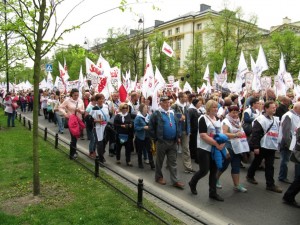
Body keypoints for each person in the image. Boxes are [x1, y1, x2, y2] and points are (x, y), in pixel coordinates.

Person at [188, 100, 225, 201]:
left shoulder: (217, 119)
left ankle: (213, 192)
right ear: (208, 108)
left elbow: (221, 134)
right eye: (213, 107)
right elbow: (203, 135)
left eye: (216, 107)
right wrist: (216, 143)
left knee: (214, 171)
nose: (216, 109)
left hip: (215, 149)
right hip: (204, 148)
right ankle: (192, 182)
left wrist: (222, 143)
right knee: (204, 170)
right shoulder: (203, 119)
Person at [149, 96, 184, 189]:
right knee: (159, 161)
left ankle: (175, 180)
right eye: (164, 102)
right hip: (162, 141)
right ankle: (158, 177)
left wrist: (178, 136)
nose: (167, 104)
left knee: (173, 162)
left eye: (168, 102)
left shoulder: (172, 113)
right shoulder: (157, 114)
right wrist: (156, 138)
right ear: (160, 103)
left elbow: (177, 125)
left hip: (173, 141)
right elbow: (151, 126)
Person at [247, 101, 282, 193]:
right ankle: (250, 175)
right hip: (262, 145)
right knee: (257, 161)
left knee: (269, 165)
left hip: (271, 146)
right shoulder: (260, 119)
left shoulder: (275, 119)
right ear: (266, 108)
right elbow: (255, 134)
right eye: (272, 107)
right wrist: (256, 147)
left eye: (275, 107)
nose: (274, 109)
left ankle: (270, 184)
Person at [217, 105, 249, 192]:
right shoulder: (225, 121)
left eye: (237, 112)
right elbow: (224, 134)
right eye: (233, 112)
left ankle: (237, 185)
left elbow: (241, 132)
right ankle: (215, 179)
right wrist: (235, 135)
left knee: (236, 165)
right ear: (229, 112)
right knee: (224, 165)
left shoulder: (239, 121)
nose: (235, 114)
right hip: (228, 146)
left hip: (238, 146)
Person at [171, 92, 194, 173]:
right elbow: (170, 116)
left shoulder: (187, 106)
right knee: (172, 149)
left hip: (185, 131)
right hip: (177, 130)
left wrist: (189, 129)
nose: (186, 98)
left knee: (186, 149)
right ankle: (169, 164)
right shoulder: (174, 106)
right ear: (180, 98)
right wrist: (179, 117)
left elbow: (188, 120)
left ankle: (188, 167)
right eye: (184, 97)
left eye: (186, 97)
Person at [277, 102, 300, 184]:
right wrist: (289, 143)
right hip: (287, 141)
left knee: (294, 159)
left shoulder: (296, 115)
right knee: (285, 160)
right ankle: (282, 176)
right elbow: (286, 131)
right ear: (296, 108)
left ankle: (295, 177)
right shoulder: (289, 115)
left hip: (294, 141)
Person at [59, 88, 85, 160]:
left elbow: (83, 110)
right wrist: (65, 113)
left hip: (78, 120)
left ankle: (74, 151)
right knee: (73, 137)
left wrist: (80, 110)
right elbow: (60, 107)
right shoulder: (67, 100)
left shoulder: (80, 100)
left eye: (77, 95)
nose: (76, 96)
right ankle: (72, 154)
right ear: (71, 95)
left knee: (76, 137)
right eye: (75, 95)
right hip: (71, 120)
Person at [90, 94, 110, 165]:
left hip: (105, 127)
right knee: (100, 143)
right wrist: (97, 121)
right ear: (96, 100)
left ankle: (101, 155)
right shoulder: (94, 108)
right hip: (98, 128)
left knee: (104, 142)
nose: (101, 100)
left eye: (102, 99)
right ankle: (100, 159)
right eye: (99, 99)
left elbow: (108, 116)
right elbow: (90, 119)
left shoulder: (106, 106)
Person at [134, 103, 155, 169]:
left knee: (149, 150)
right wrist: (143, 127)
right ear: (141, 109)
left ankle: (152, 164)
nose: (146, 109)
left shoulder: (148, 116)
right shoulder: (138, 117)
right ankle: (140, 163)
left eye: (146, 108)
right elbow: (136, 127)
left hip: (147, 136)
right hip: (140, 136)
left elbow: (151, 124)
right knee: (140, 151)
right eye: (145, 108)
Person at [188, 97, 205, 163]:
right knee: (194, 143)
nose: (200, 104)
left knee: (195, 143)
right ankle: (194, 155)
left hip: (197, 129)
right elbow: (189, 120)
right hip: (193, 129)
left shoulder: (198, 110)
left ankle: (194, 155)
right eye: (199, 103)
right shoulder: (191, 110)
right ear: (195, 104)